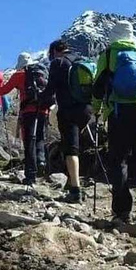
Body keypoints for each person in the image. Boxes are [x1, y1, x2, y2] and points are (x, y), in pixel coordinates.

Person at [92, 20, 136, 221]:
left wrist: (97, 111)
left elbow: (98, 87)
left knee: (118, 159)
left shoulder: (108, 54)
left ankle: (122, 210)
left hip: (117, 111)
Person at [39, 40, 93, 203]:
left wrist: (40, 99)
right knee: (74, 145)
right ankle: (71, 180)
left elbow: (51, 89)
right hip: (86, 110)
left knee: (71, 149)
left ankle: (75, 190)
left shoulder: (58, 62)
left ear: (55, 50)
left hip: (68, 110)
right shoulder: (81, 61)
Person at [0, 53, 53, 185]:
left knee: (29, 140)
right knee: (40, 137)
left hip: (28, 110)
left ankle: (30, 175)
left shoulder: (19, 74)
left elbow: (4, 90)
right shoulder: (42, 72)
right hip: (44, 109)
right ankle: (41, 160)